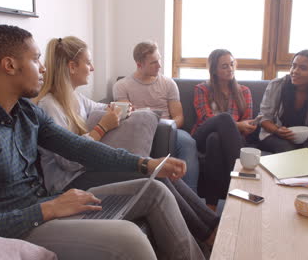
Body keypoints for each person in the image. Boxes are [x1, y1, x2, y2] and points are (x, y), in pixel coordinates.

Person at [0, 24, 205, 260]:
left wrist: (145, 163)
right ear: (10, 65)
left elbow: (79, 147)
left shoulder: (26, 112)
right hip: (22, 226)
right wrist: (48, 208)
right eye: (36, 59)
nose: (44, 67)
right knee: (130, 238)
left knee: (154, 190)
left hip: (46, 205)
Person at [33, 35, 219, 248]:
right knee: (153, 173)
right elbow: (69, 162)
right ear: (72, 67)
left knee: (160, 170)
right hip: (69, 183)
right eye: (88, 62)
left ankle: (214, 226)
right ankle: (209, 236)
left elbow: (102, 108)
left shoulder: (76, 98)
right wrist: (102, 127)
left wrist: (123, 108)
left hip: (87, 172)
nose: (92, 68)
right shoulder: (49, 106)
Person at [113, 41, 200, 193]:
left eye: (159, 60)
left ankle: (190, 194)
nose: (159, 65)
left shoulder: (168, 83)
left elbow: (179, 117)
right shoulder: (122, 86)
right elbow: (126, 118)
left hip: (169, 129)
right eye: (154, 62)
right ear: (139, 64)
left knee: (188, 142)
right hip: (139, 130)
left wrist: (168, 129)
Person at [191, 49, 256, 211]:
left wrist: (243, 126)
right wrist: (238, 125)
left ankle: (211, 206)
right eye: (225, 66)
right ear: (214, 69)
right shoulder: (202, 89)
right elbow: (206, 118)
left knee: (215, 140)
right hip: (202, 135)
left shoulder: (244, 91)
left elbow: (248, 123)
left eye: (232, 64)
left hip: (231, 139)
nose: (230, 69)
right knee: (223, 119)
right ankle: (242, 183)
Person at [258, 49, 308, 159]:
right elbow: (263, 118)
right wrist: (278, 130)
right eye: (293, 66)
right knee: (288, 150)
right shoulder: (278, 85)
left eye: (303, 68)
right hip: (274, 135)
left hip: (306, 138)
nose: (295, 71)